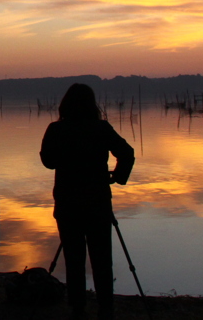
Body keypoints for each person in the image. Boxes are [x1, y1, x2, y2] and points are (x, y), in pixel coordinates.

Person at [40, 83, 135, 320]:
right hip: (98, 202)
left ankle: (78, 307)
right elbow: (127, 153)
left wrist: (66, 157)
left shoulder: (55, 129)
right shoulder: (101, 128)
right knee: (102, 257)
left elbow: (48, 161)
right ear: (92, 105)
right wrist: (118, 176)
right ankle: (105, 306)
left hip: (68, 202)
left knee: (74, 258)